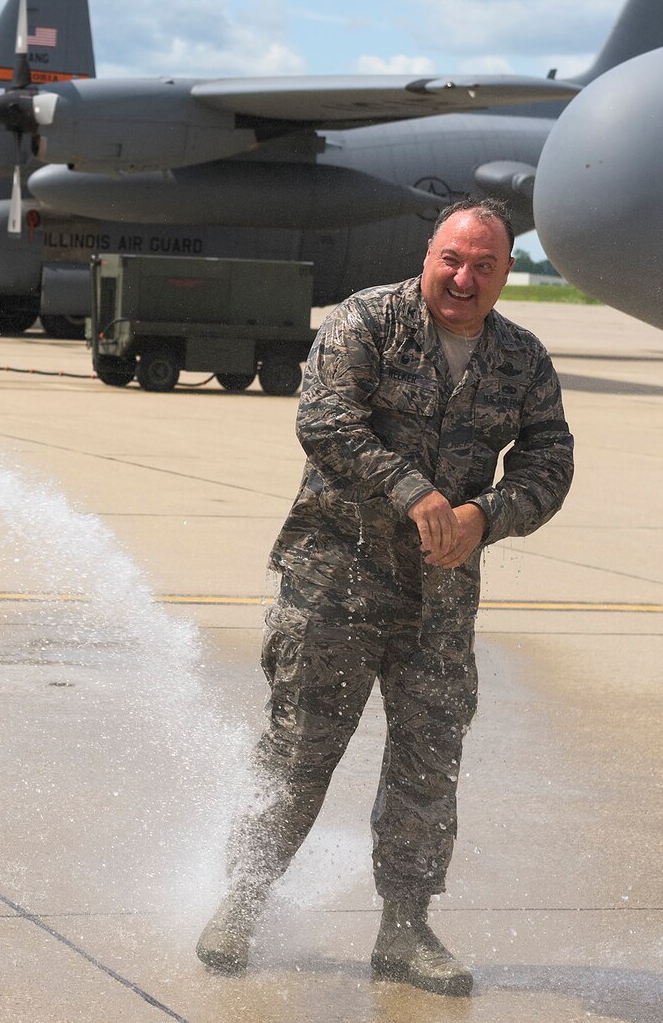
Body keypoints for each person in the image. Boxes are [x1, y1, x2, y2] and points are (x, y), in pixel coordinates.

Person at [196, 198, 574, 995]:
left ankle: (405, 930)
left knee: (428, 761)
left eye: (484, 265)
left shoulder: (523, 358)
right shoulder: (367, 320)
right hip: (337, 577)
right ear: (429, 253)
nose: (464, 278)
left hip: (441, 598)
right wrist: (414, 492)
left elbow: (550, 460)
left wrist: (486, 514)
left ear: (507, 272)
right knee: (300, 754)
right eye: (452, 259)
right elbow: (325, 420)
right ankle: (244, 899)